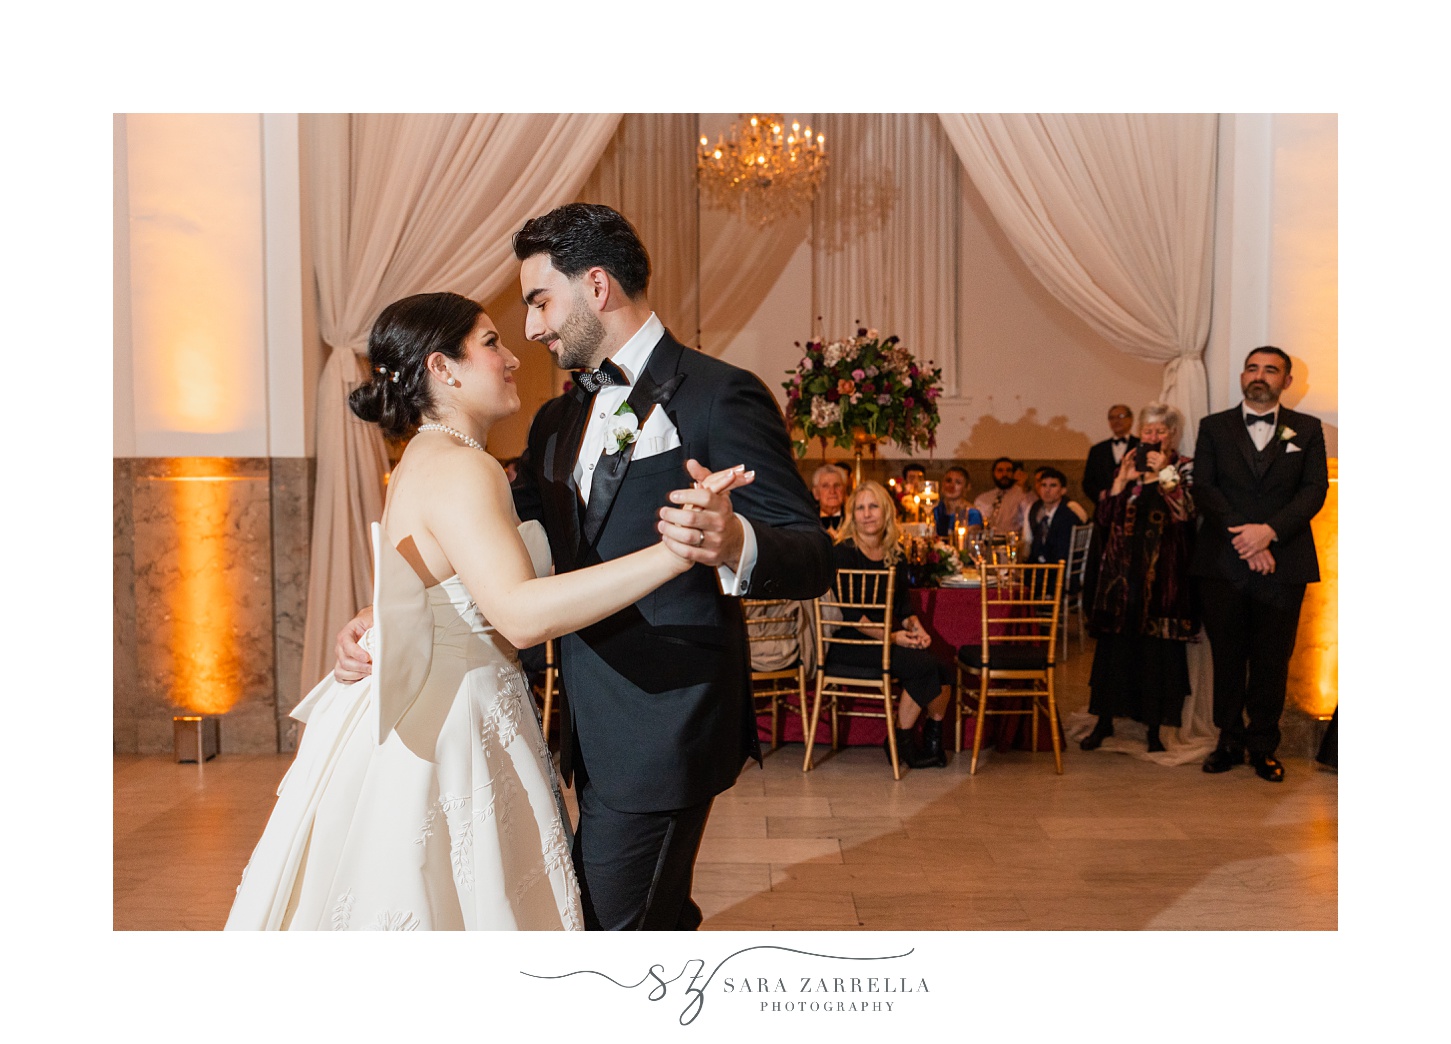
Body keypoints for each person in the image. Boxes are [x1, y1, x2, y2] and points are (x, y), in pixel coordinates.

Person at [338, 204, 833, 929]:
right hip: (575, 728)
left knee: (609, 931)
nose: (532, 328)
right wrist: (391, 612)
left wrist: (733, 543)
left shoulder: (718, 394)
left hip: (668, 718)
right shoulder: (554, 420)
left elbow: (811, 552)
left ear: (595, 286)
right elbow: (497, 541)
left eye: (540, 301)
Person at [226, 292, 751, 930]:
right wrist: (676, 553)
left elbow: (440, 577)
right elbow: (521, 616)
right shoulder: (462, 468)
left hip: (444, 698)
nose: (512, 357)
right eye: (490, 342)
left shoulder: (427, 458)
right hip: (455, 716)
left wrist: (378, 611)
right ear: (442, 369)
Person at [1192, 346, 1328, 782]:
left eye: (1271, 370)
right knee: (1228, 655)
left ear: (1287, 382)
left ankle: (1264, 745)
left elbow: (1314, 490)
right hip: (1223, 561)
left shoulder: (1306, 429)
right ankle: (1228, 740)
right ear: (1242, 375)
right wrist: (1247, 537)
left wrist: (1269, 532)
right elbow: (1205, 487)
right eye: (1252, 367)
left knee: (1273, 658)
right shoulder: (1213, 427)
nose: (1259, 376)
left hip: (1284, 562)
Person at [1081, 404, 1198, 754]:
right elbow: (1104, 518)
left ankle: (1153, 729)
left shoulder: (1184, 467)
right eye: (1148, 431)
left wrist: (1164, 474)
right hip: (1119, 579)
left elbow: (1185, 513)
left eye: (1160, 431)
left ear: (1172, 435)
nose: (1152, 437)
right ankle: (1103, 722)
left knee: (1154, 656)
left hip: (1162, 578)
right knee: (1113, 655)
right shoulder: (1127, 466)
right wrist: (1120, 481)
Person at [828, 481, 953, 768]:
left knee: (943, 666)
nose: (867, 513)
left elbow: (903, 608)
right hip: (850, 642)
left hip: (886, 638)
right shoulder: (843, 553)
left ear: (885, 512)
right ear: (852, 515)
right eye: (860, 508)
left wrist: (915, 629)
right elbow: (850, 615)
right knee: (922, 667)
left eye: (873, 506)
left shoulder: (895, 554)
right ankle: (900, 741)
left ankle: (933, 740)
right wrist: (895, 637)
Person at [1082, 404, 1139, 511]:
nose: (1116, 421)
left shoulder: (1140, 445)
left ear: (1131, 419)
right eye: (1112, 418)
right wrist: (1100, 495)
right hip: (1104, 510)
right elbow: (1088, 482)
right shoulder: (1097, 450)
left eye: (1121, 416)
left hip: (1134, 509)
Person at [1022, 467, 1077, 566]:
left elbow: (1063, 552)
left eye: (1053, 485)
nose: (1047, 490)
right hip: (1038, 568)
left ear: (1063, 490)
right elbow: (1029, 543)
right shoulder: (1035, 510)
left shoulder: (1069, 514)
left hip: (1058, 569)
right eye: (1043, 485)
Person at [973, 456, 1032, 535]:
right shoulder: (983, 499)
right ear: (993, 473)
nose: (1005, 474)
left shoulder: (1023, 496)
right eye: (1000, 470)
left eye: (1008, 470)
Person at [932, 465, 981, 538]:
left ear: (966, 487)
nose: (952, 486)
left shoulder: (972, 514)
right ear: (942, 485)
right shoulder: (935, 510)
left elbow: (971, 541)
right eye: (948, 481)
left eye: (958, 482)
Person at [811, 463, 850, 536]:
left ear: (844, 491)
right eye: (825, 486)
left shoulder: (854, 519)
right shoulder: (808, 518)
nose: (832, 491)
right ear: (816, 493)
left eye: (837, 485)